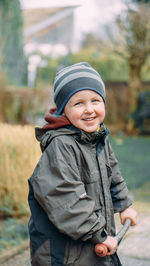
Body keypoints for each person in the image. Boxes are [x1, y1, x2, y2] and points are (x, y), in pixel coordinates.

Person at [28, 62, 137, 266]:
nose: (89, 110)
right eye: (78, 104)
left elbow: (112, 173)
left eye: (95, 100)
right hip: (64, 254)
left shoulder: (97, 138)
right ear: (64, 111)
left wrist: (124, 205)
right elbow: (65, 199)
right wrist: (99, 234)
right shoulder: (60, 147)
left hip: (91, 245)